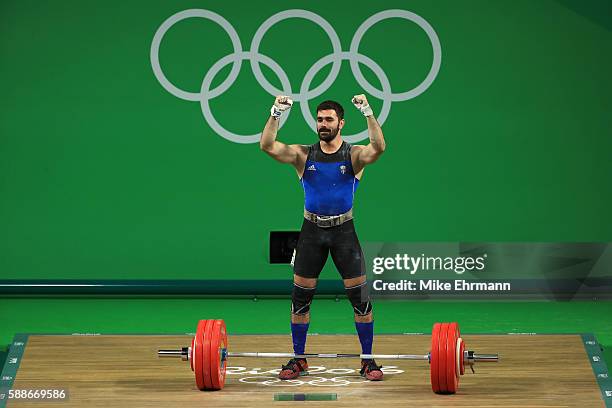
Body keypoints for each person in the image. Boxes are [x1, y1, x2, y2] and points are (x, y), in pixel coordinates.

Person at [260, 93, 386, 381]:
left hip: (344, 233)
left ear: (341, 123)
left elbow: (379, 147)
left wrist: (367, 111)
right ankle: (298, 359)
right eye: (319, 119)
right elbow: (266, 145)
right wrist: (276, 112)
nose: (323, 124)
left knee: (361, 300)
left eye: (329, 119)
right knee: (300, 300)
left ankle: (367, 361)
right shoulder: (303, 155)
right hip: (311, 233)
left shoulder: (354, 156)